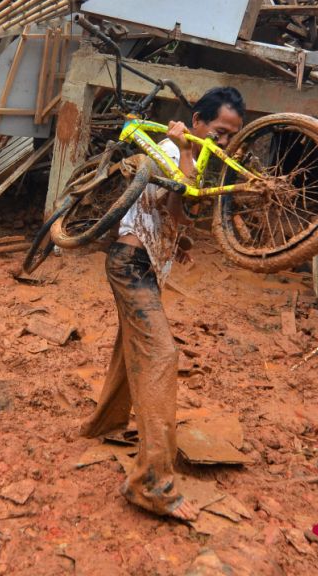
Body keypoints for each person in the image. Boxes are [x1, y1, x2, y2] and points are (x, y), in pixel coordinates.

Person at [79, 86, 246, 521]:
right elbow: (181, 184)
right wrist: (188, 150)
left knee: (131, 347)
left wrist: (180, 239)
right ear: (197, 121)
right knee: (160, 355)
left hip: (148, 265)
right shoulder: (169, 146)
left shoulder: (193, 154)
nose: (224, 142)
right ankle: (150, 484)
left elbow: (176, 209)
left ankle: (104, 424)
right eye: (220, 131)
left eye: (231, 136)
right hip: (130, 263)